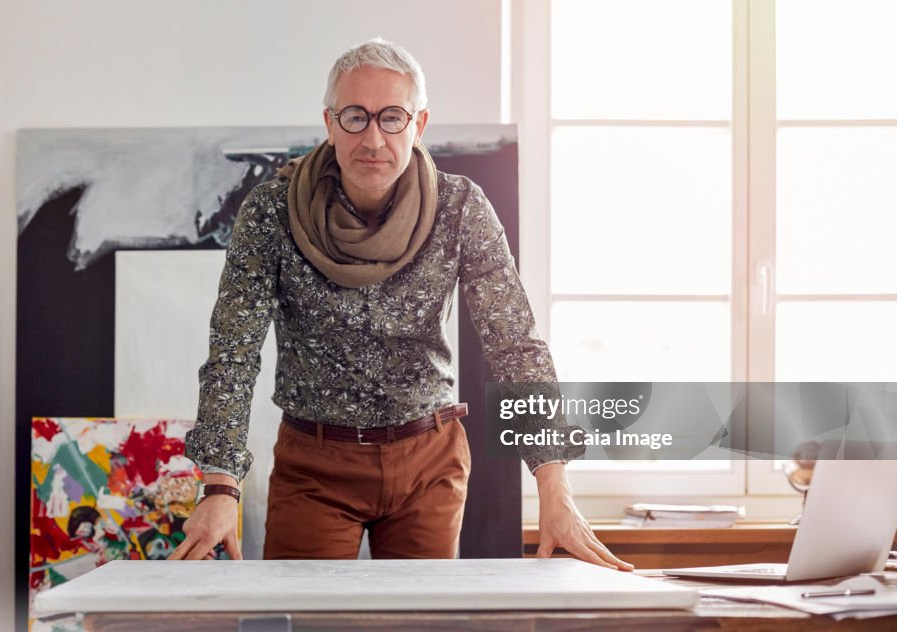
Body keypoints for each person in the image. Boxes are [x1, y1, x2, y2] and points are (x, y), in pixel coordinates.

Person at [170, 38, 631, 570]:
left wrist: (553, 481)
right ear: (329, 122)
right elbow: (233, 351)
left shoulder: (461, 208)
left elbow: (514, 344)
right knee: (305, 618)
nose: (373, 138)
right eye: (354, 117)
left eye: (392, 118)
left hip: (427, 460)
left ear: (419, 124)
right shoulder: (271, 211)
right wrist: (219, 487)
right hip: (314, 463)